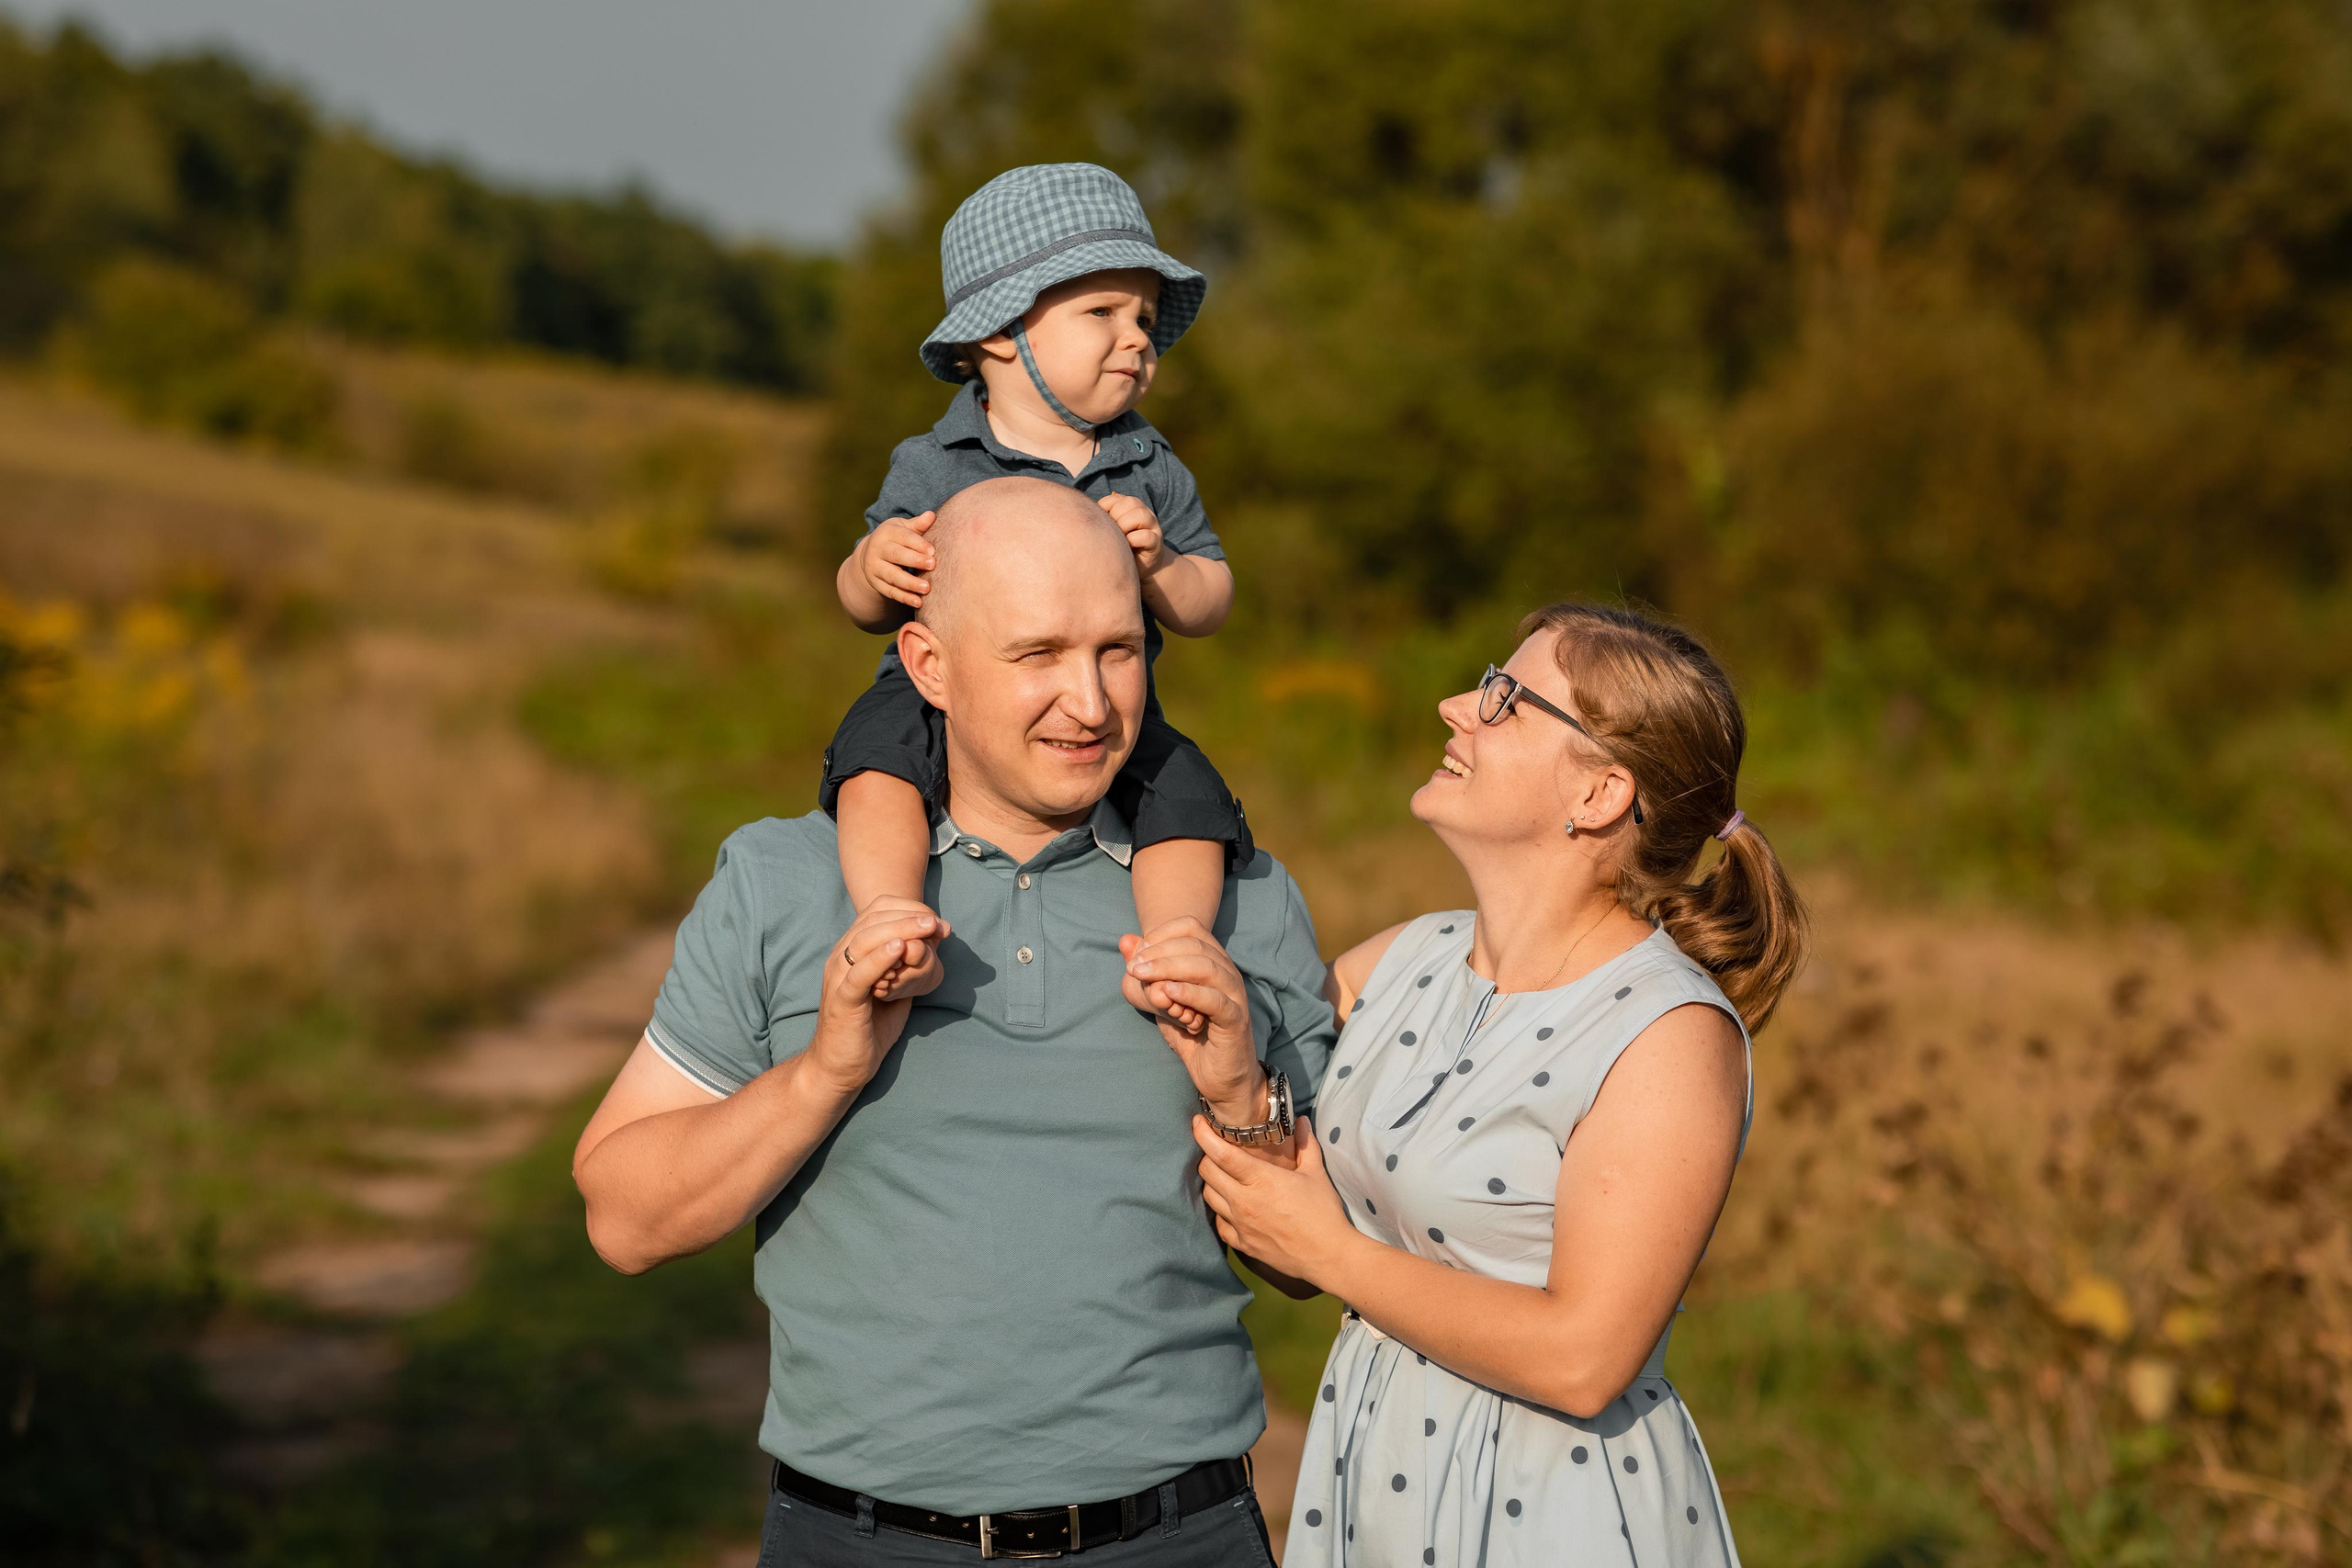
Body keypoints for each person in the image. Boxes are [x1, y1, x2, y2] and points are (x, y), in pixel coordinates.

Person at [572, 477, 1334, 1564]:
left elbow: (1319, 1264)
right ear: (928, 665)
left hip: (1180, 1537)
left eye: (1120, 651)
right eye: (1039, 655)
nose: (1091, 704)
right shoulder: (783, 878)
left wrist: (1236, 1093)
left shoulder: (1236, 897)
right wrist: (824, 1074)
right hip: (860, 1540)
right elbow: (623, 1222)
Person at [1192, 603, 1808, 1567]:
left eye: (1505, 701)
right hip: (1375, 1482)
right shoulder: (1400, 961)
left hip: (1550, 1510)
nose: (1453, 707)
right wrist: (1236, 1090)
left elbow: (1582, 1360)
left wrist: (1331, 1253)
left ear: (1601, 794)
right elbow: (1292, 1252)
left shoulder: (1668, 1035)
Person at [826, 163, 1245, 1017]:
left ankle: (1175, 951)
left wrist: (1163, 568)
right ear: (1000, 333)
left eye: (1143, 319)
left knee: (1189, 796)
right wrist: (873, 567)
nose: (1138, 339)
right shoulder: (935, 463)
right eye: (1103, 313)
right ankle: (891, 918)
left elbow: (1214, 598)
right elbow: (862, 601)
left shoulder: (1147, 464)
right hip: (932, 695)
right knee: (876, 758)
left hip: (1110, 709)